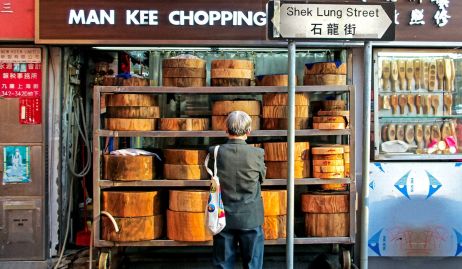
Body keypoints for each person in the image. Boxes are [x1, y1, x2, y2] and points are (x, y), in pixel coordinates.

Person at [207, 110, 266, 269]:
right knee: (253, 264)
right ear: (248, 131)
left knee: (223, 265)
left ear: (226, 129)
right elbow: (262, 178)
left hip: (223, 217)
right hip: (250, 217)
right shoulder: (257, 153)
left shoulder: (216, 152)